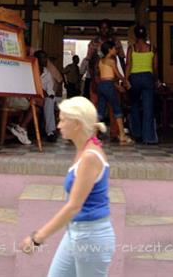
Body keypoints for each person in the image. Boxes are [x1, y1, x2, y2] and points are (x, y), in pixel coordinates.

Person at [19, 96, 116, 277]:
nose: (58, 125)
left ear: (77, 124)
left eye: (63, 120)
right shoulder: (85, 148)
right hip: (76, 232)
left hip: (90, 236)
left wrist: (37, 238)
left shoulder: (90, 157)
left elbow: (73, 206)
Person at [87, 19, 125, 139]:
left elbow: (122, 60)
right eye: (102, 28)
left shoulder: (116, 42)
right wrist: (93, 79)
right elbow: (90, 62)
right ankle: (95, 133)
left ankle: (114, 133)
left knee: (113, 106)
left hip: (112, 78)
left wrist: (125, 78)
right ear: (99, 29)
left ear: (110, 29)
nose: (104, 30)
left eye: (106, 27)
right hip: (96, 78)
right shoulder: (93, 42)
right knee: (95, 106)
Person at [125, 24, 159, 145]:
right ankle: (148, 137)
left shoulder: (132, 48)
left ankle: (136, 134)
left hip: (134, 78)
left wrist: (126, 79)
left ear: (135, 35)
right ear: (146, 35)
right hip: (147, 78)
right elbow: (155, 67)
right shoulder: (151, 49)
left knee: (134, 106)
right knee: (148, 108)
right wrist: (156, 80)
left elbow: (128, 64)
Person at [98, 41, 133, 145]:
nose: (115, 50)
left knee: (100, 111)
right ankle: (122, 135)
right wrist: (126, 81)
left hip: (102, 85)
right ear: (109, 50)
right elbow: (117, 75)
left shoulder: (100, 61)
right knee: (117, 109)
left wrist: (117, 85)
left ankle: (93, 136)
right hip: (109, 86)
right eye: (114, 48)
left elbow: (104, 76)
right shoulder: (111, 61)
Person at [34, 50, 58, 142]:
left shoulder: (46, 72)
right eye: (43, 57)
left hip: (43, 97)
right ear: (37, 59)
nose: (45, 60)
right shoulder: (31, 70)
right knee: (47, 101)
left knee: (50, 101)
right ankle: (50, 130)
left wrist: (50, 95)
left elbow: (49, 87)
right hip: (31, 96)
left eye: (46, 57)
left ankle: (50, 132)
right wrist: (41, 91)